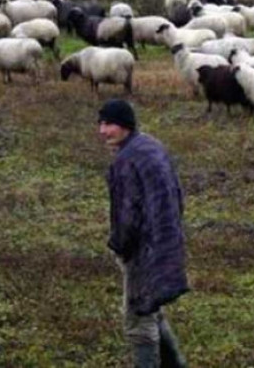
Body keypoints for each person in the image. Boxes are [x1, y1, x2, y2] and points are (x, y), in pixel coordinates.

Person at [98, 99, 190, 368]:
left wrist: (120, 246)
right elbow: (178, 195)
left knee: (138, 320)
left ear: (125, 125)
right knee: (152, 307)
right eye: (101, 124)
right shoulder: (151, 147)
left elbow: (128, 215)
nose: (102, 131)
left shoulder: (127, 161)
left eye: (109, 124)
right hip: (166, 242)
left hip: (144, 251)